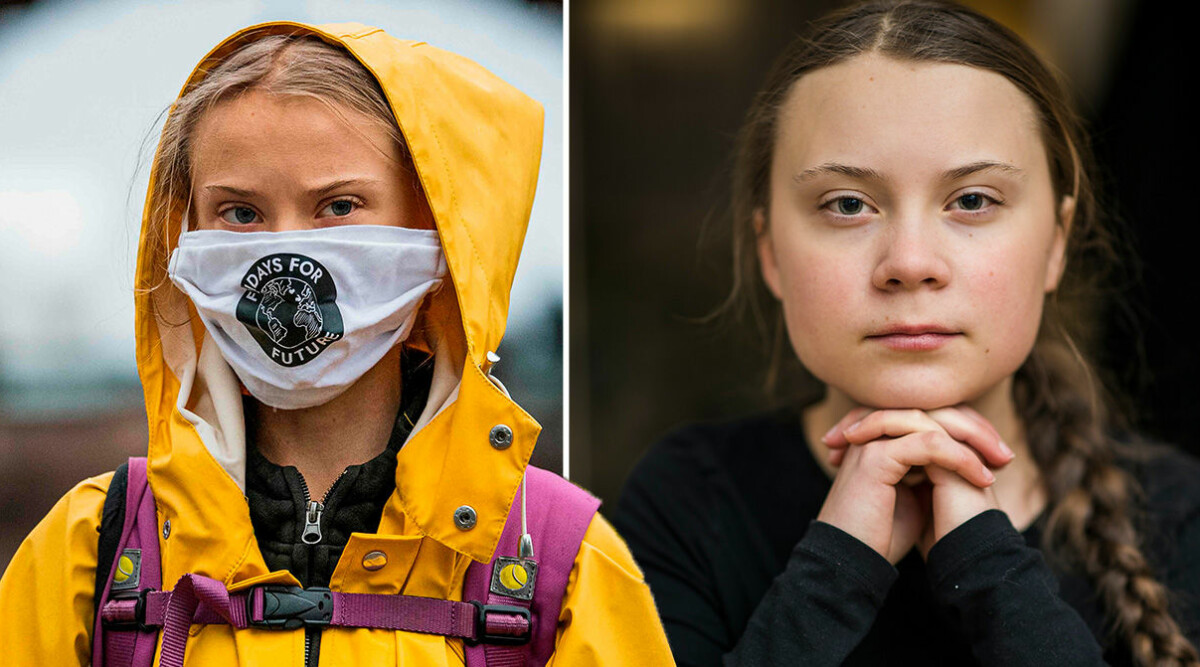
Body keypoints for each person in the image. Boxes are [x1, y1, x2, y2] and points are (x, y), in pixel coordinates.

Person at [0, 20, 675, 666]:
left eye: (339, 206)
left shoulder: (562, 566)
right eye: (240, 212)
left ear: (436, 228)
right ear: (185, 237)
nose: (286, 246)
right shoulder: (91, 552)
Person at [611, 1, 1200, 665]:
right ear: (770, 249)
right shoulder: (685, 502)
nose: (910, 263)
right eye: (848, 205)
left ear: (1056, 244)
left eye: (973, 200)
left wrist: (987, 563)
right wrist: (835, 568)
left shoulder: (1177, 514)